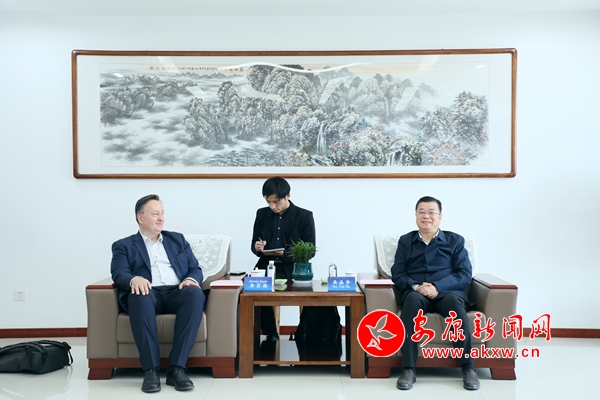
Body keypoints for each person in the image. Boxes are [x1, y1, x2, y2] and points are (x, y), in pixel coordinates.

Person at [111, 194, 204, 393]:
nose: (161, 218)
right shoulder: (123, 245)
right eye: (155, 214)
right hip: (148, 291)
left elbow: (195, 268)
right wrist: (134, 279)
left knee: (195, 294)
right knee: (139, 295)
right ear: (140, 218)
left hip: (177, 291)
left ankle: (177, 369)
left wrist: (190, 279)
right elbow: (119, 273)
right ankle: (151, 370)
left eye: (162, 213)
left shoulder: (177, 239)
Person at [391, 196, 479, 391]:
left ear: (440, 217)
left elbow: (464, 274)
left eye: (431, 212)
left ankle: (468, 367)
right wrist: (416, 287)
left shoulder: (455, 240)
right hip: (417, 292)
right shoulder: (406, 241)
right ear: (416, 215)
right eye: (421, 212)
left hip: (447, 292)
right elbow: (398, 273)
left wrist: (437, 287)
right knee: (411, 301)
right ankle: (408, 369)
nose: (426, 216)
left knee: (454, 305)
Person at [251, 177, 316, 341]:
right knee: (253, 291)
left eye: (276, 201)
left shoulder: (304, 216)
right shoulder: (262, 214)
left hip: (292, 268)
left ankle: (303, 334)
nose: (273, 206)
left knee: (310, 297)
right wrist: (258, 247)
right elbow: (254, 243)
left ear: (288, 196)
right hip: (266, 265)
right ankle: (271, 334)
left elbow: (310, 250)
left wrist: (284, 254)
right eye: (269, 202)